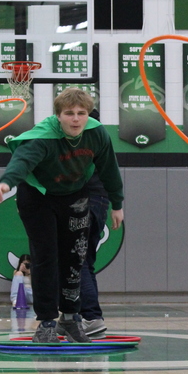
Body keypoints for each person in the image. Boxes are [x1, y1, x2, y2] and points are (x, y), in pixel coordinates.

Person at [0, 88, 124, 344]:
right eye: (69, 114)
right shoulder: (43, 136)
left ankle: (72, 318)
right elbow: (22, 160)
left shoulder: (96, 133)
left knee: (75, 257)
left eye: (81, 113)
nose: (75, 119)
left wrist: (117, 205)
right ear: (59, 115)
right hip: (38, 196)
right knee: (45, 258)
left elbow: (110, 169)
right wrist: (7, 182)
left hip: (74, 195)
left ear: (88, 115)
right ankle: (47, 321)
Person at [80, 108, 110, 337]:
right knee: (85, 263)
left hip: (84, 204)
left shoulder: (79, 144)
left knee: (76, 264)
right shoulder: (102, 142)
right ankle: (79, 316)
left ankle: (90, 317)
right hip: (100, 203)